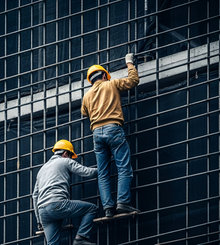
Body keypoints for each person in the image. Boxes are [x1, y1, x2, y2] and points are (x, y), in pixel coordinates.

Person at [81, 53, 140, 218]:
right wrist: (129, 63)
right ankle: (123, 202)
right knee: (123, 168)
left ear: (90, 80)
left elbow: (84, 112)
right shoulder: (111, 84)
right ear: (104, 76)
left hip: (96, 134)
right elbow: (133, 81)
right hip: (113, 128)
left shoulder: (86, 96)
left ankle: (108, 208)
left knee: (103, 173)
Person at [32, 140, 98, 245]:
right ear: (65, 153)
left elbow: (35, 196)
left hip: (43, 212)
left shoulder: (42, 170)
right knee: (91, 208)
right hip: (57, 204)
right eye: (70, 156)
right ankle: (81, 238)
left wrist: (39, 220)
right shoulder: (65, 161)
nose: (70, 158)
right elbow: (87, 172)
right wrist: (102, 169)